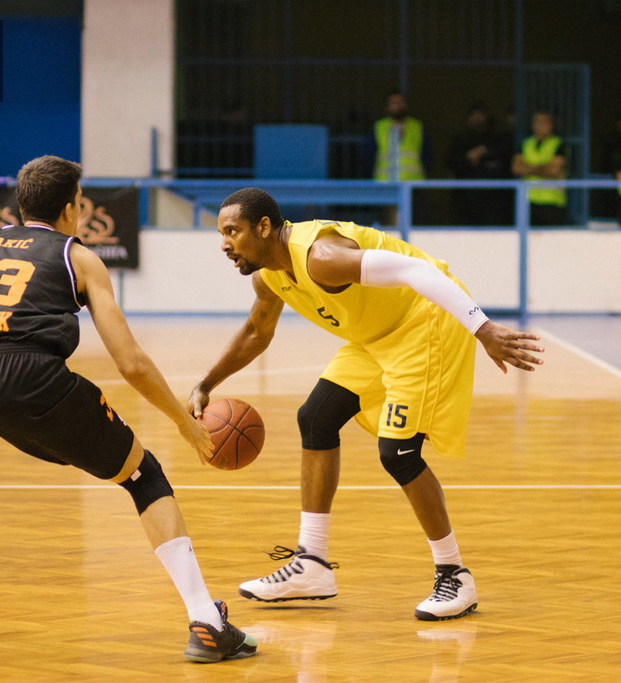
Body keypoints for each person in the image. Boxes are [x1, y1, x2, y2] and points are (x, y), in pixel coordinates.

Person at [0, 156, 257, 664]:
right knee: (142, 475)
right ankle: (206, 623)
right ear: (70, 209)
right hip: (33, 381)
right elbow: (132, 363)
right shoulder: (77, 256)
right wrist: (183, 424)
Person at [188, 188, 544, 622]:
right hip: (376, 339)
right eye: (221, 233)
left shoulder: (321, 256)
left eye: (232, 231)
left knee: (399, 452)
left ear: (264, 228)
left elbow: (418, 270)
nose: (224, 243)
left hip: (423, 324)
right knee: (316, 418)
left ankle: (455, 575)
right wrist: (207, 383)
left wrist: (482, 329)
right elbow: (256, 332)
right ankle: (312, 565)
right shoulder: (269, 275)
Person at [446, 101, 513, 225]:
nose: (478, 119)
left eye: (481, 115)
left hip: (494, 198)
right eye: (474, 115)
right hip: (466, 197)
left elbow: (505, 158)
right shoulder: (460, 139)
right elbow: (451, 164)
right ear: (468, 118)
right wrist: (468, 158)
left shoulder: (497, 139)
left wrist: (483, 152)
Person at [511, 110, 567, 226]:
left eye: (544, 122)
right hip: (528, 201)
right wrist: (543, 167)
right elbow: (516, 168)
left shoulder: (558, 144)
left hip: (552, 202)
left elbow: (554, 170)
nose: (540, 125)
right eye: (537, 122)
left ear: (551, 125)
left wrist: (529, 168)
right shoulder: (526, 143)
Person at [367, 90, 430, 182]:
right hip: (384, 183)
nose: (397, 105)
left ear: (406, 105)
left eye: (400, 102)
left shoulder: (417, 127)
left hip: (413, 184)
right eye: (393, 103)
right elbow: (368, 157)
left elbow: (427, 156)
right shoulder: (378, 127)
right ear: (387, 107)